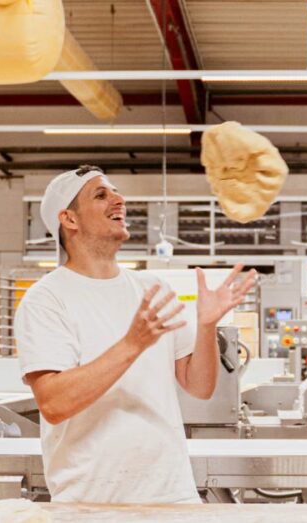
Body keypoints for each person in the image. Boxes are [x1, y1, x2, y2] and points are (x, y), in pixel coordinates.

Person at [14, 166, 256, 504]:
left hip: (172, 495)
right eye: (101, 195)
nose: (119, 200)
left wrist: (206, 326)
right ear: (69, 219)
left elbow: (199, 387)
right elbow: (54, 403)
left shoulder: (151, 287)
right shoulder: (46, 299)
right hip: (91, 501)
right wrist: (132, 344)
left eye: (115, 191)